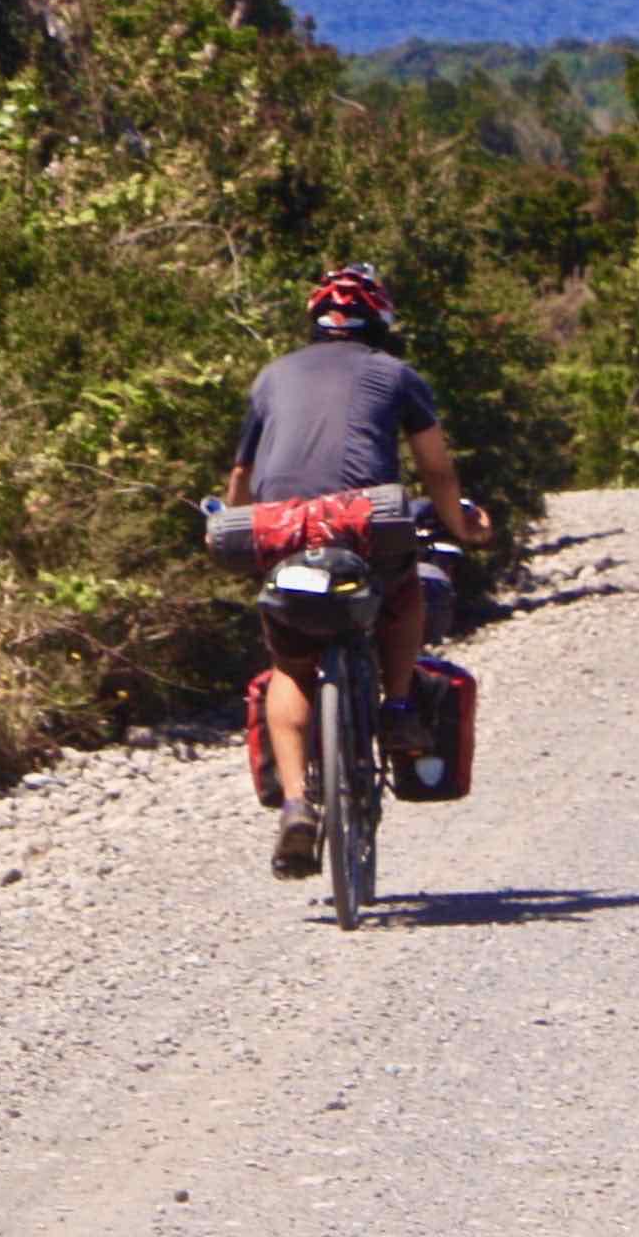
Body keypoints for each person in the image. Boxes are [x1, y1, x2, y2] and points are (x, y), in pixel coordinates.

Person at [227, 262, 487, 877]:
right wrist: (461, 526)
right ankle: (397, 707)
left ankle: (295, 805)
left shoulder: (271, 377)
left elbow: (240, 480)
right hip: (364, 522)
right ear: (381, 324)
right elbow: (438, 470)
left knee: (290, 660)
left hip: (279, 527)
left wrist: (240, 533)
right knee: (403, 592)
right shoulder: (396, 374)